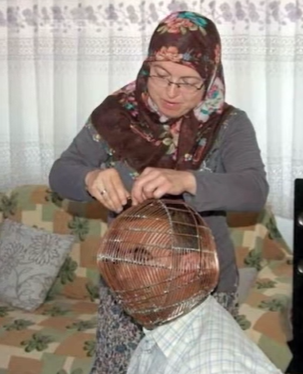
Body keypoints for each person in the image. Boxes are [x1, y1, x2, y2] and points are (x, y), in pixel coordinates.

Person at [49, 10, 268, 374]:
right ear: (146, 66)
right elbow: (61, 172)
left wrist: (188, 181)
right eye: (161, 75)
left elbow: (254, 190)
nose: (171, 91)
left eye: (188, 82)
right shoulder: (117, 114)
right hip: (127, 279)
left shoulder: (228, 124)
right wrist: (90, 178)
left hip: (201, 283)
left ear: (210, 77)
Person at [97, 198, 281, 374]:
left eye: (141, 257)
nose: (122, 274)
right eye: (118, 259)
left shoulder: (212, 367)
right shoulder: (163, 329)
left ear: (188, 267)